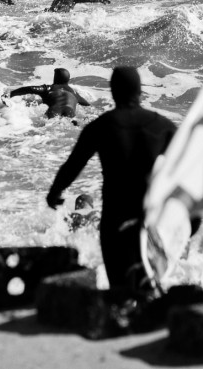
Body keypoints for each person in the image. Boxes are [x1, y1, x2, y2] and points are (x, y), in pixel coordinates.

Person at [46, 66, 175, 293]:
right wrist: (191, 217)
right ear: (140, 92)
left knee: (120, 286)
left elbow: (73, 165)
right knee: (151, 284)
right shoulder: (163, 126)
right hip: (150, 218)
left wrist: (55, 192)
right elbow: (189, 169)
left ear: (113, 92)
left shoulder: (101, 126)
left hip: (114, 218)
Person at [10, 67, 91, 118]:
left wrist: (11, 94)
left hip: (54, 110)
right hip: (70, 112)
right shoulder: (74, 93)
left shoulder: (49, 88)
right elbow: (87, 105)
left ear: (55, 78)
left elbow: (30, 89)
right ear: (68, 79)